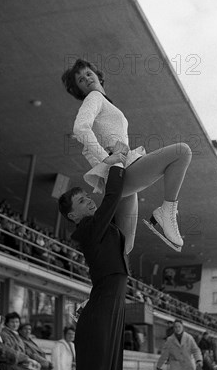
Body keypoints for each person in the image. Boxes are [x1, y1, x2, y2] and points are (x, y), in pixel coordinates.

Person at [61, 58, 192, 254]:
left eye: (88, 74)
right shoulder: (94, 98)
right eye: (80, 80)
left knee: (124, 246)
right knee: (182, 152)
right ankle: (167, 211)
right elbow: (80, 128)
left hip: (120, 174)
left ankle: (102, 274)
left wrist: (104, 159)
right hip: (121, 171)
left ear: (98, 76)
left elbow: (89, 141)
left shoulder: (103, 101)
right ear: (79, 90)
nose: (86, 79)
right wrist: (106, 158)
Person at [58, 161, 129, 370]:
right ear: (73, 215)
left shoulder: (101, 228)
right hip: (101, 315)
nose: (88, 200)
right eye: (81, 201)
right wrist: (118, 164)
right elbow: (112, 198)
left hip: (111, 307)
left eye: (87, 197)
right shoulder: (88, 228)